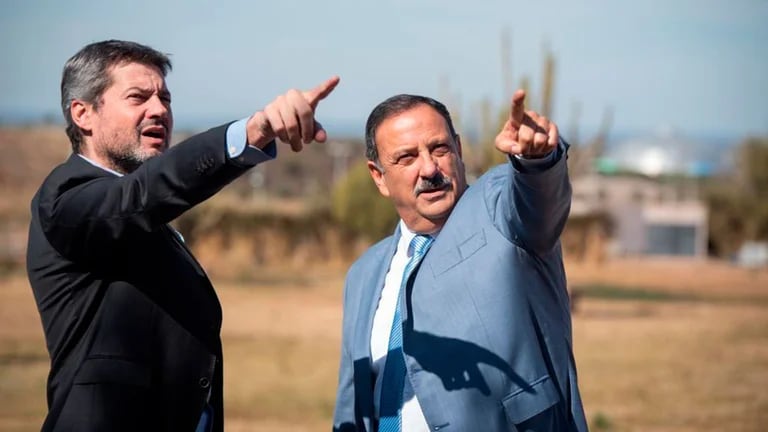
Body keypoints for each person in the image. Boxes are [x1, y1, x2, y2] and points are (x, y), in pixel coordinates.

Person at [26, 39, 339, 432]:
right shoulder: (65, 199)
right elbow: (142, 195)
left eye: (165, 99)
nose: (159, 110)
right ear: (83, 114)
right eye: (138, 97)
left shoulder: (145, 219)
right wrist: (254, 131)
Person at [332, 90, 588, 431]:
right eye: (407, 158)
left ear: (459, 150)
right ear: (378, 176)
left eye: (439, 149)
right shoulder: (363, 274)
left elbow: (538, 203)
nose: (429, 168)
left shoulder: (499, 210)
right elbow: (353, 398)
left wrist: (538, 161)